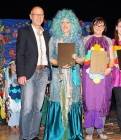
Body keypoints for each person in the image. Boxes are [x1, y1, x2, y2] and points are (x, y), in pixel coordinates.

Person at [43, 9, 85, 140]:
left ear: (72, 24)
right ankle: (57, 134)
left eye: (68, 22)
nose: (65, 25)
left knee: (73, 101)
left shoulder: (78, 39)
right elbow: (51, 59)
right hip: (58, 76)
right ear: (58, 25)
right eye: (62, 23)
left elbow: (82, 59)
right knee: (58, 101)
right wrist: (60, 64)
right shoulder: (54, 39)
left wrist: (76, 58)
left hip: (73, 77)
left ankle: (74, 134)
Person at [16, 6, 51, 140]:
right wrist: (21, 74)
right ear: (30, 16)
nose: (38, 17)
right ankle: (24, 136)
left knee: (38, 107)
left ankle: (33, 134)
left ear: (43, 17)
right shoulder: (24, 32)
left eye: (41, 15)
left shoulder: (46, 34)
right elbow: (19, 54)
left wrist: (49, 74)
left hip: (43, 73)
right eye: (36, 14)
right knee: (27, 107)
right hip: (29, 73)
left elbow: (47, 55)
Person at [82, 17, 114, 140]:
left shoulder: (108, 40)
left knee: (102, 101)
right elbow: (81, 56)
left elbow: (111, 58)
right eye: (96, 24)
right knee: (90, 101)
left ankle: (101, 131)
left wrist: (109, 69)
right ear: (92, 26)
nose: (99, 27)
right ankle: (89, 132)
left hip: (103, 75)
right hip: (88, 75)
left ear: (104, 27)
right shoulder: (86, 39)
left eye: (101, 25)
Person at [4, 60, 21, 131]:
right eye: (13, 65)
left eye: (15, 64)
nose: (15, 66)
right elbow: (6, 86)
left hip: (18, 94)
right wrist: (6, 96)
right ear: (10, 67)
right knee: (12, 109)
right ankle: (11, 125)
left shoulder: (19, 74)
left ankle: (17, 124)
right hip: (11, 94)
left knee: (19, 108)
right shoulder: (7, 75)